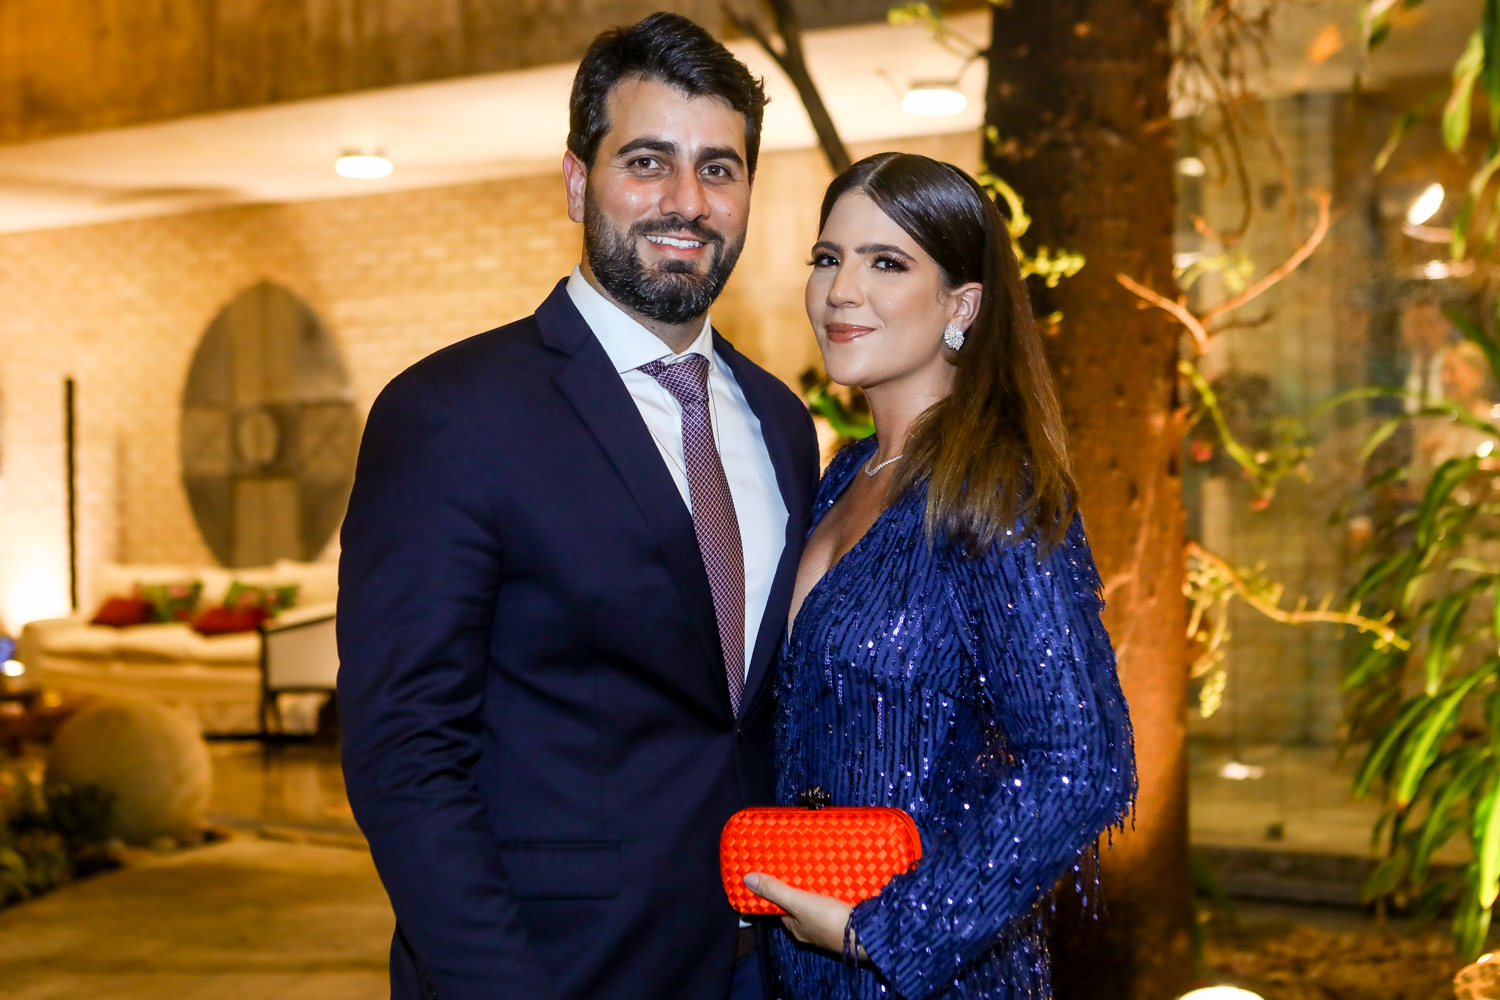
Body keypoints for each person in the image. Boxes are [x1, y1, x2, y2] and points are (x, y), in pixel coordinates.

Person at [336, 14, 819, 1000]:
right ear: (575, 181)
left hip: (770, 963)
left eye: (719, 169)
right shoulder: (450, 413)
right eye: (648, 161)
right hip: (553, 969)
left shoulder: (781, 419)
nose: (687, 201)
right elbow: (405, 752)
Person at [742, 152, 1136, 999]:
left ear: (962, 305)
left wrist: (888, 932)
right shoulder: (844, 476)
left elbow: (1084, 761)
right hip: (802, 970)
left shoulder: (993, 486)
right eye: (827, 258)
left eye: (886, 263)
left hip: (934, 976)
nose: (841, 291)